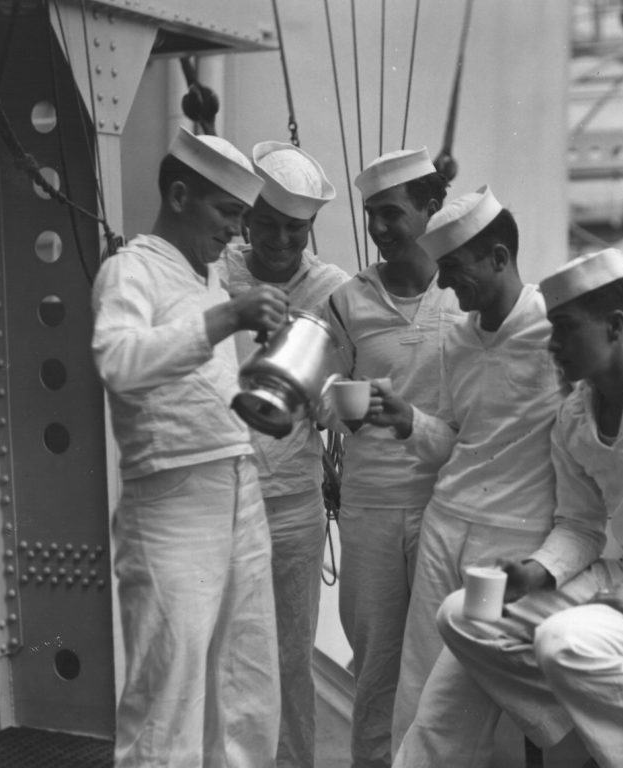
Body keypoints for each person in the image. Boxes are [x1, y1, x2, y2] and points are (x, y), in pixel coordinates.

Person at [393, 248, 623, 768]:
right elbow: (580, 525)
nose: (553, 345)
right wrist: (537, 572)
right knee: (465, 615)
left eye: (565, 329)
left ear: (615, 326)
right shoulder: (573, 414)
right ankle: (591, 740)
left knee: (563, 641)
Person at [92, 128, 287, 767]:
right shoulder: (131, 269)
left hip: (238, 487)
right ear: (179, 194)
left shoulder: (205, 276)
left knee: (246, 680)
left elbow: (198, 390)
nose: (236, 233)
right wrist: (227, 317)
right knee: (168, 691)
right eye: (227, 214)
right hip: (172, 503)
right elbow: (117, 359)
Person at [362, 186, 566, 750]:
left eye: (453, 267)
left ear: (499, 258)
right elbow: (455, 439)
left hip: (507, 545)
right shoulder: (458, 338)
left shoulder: (557, 335)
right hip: (444, 526)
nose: (445, 284)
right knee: (421, 681)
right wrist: (410, 422)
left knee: (482, 694)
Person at [319, 147, 461, 768]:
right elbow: (320, 394)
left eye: (393, 214)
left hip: (448, 501)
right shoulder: (348, 300)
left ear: (432, 208)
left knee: (441, 660)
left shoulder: (463, 295)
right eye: (371, 215)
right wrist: (339, 408)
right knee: (376, 659)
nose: (379, 230)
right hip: (372, 505)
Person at [219, 141, 349, 768]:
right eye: (266, 223)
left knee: (289, 657)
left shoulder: (332, 290)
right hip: (217, 492)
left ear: (310, 229)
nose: (278, 240)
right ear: (246, 217)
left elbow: (343, 392)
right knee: (222, 649)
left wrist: (328, 399)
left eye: (294, 229)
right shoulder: (215, 272)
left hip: (293, 501)